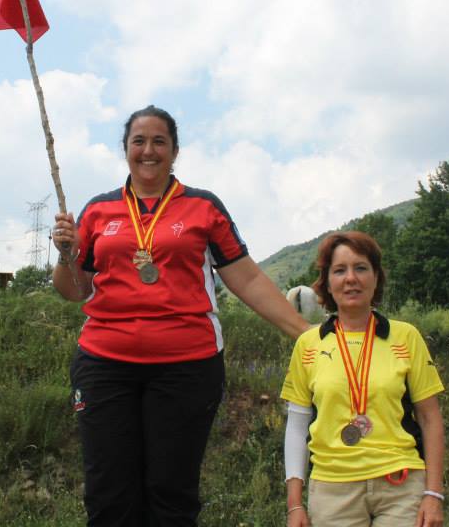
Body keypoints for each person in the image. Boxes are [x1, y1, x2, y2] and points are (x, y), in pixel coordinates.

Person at [51, 105, 309, 526]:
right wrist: (66, 256)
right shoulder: (98, 211)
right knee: (108, 494)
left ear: (174, 150)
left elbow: (246, 279)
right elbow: (73, 291)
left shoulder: (203, 207)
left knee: (171, 493)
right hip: (104, 365)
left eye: (159, 141)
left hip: (186, 368)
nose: (148, 151)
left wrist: (305, 333)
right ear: (126, 150)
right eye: (139, 141)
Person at [280, 231, 445, 527]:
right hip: (332, 490)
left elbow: (429, 417)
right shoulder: (308, 344)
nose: (350, 278)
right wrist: (295, 504)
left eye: (361, 268)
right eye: (340, 270)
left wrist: (433, 494)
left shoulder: (406, 337)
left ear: (376, 277)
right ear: (328, 282)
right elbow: (296, 426)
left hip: (401, 485)